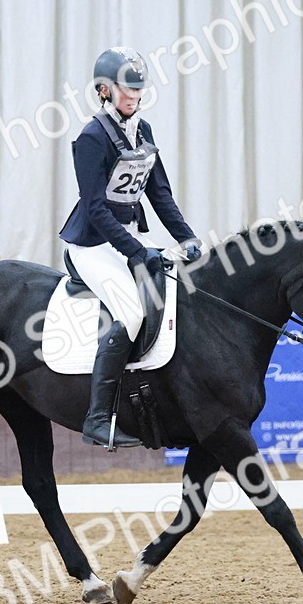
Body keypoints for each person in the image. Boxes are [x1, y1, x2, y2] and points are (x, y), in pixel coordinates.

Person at [59, 46, 203, 449]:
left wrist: (187, 238)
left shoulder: (144, 131)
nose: (134, 97)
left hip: (125, 236)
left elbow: (160, 194)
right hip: (91, 244)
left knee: (173, 287)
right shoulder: (90, 138)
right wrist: (136, 252)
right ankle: (98, 419)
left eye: (138, 90)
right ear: (104, 91)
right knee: (133, 311)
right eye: (126, 90)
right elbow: (96, 208)